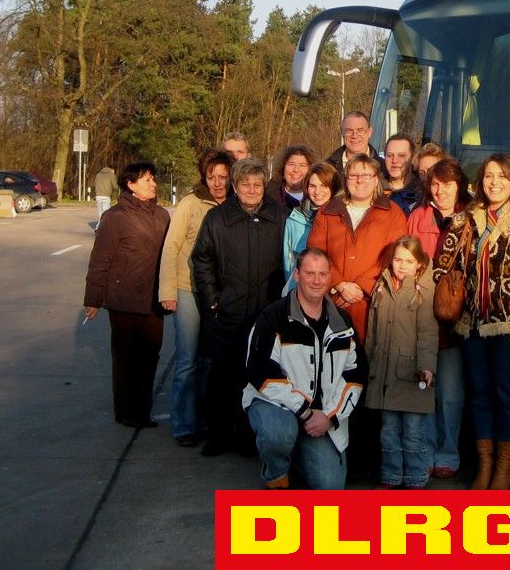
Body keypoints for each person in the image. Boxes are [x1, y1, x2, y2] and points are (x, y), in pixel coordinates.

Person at [433, 153, 510, 490]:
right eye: (488, 176)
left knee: (506, 394)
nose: (494, 182)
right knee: (480, 395)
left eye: (501, 176)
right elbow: (443, 264)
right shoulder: (466, 218)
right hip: (472, 324)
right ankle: (484, 465)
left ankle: (504, 467)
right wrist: (449, 288)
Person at [243, 248, 366, 489]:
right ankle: (276, 474)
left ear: (329, 277)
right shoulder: (273, 316)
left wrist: (329, 417)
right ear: (297, 275)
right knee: (279, 433)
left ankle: (298, 454)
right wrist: (305, 412)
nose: (316, 281)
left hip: (321, 415)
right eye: (310, 273)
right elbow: (260, 373)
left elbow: (355, 376)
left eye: (322, 274)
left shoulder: (342, 322)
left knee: (330, 487)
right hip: (276, 405)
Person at [191, 156, 285, 456]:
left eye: (257, 184)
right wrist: (213, 300)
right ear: (235, 186)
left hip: (266, 313)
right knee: (221, 377)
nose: (252, 190)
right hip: (228, 311)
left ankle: (248, 439)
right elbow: (202, 260)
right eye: (246, 184)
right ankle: (218, 436)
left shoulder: (279, 216)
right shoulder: (217, 218)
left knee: (258, 378)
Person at [83, 162, 171, 429]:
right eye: (147, 180)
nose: (153, 184)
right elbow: (100, 260)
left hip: (154, 300)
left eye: (153, 179)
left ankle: (142, 410)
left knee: (150, 357)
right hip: (124, 300)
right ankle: (125, 411)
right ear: (131, 185)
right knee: (126, 359)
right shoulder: (115, 217)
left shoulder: (162, 216)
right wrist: (93, 298)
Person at [157, 148, 233, 447]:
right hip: (187, 288)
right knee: (187, 359)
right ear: (204, 177)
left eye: (223, 177)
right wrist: (167, 292)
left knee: (209, 360)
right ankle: (183, 424)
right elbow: (171, 247)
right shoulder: (190, 203)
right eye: (212, 177)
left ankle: (205, 420)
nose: (218, 183)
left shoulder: (234, 204)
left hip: (218, 291)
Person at [407, 156, 471, 479]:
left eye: (447, 184)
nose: (440, 190)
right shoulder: (418, 216)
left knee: (450, 393)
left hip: (455, 317)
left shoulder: (471, 217)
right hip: (422, 315)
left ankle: (448, 451)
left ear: (459, 185)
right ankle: (427, 450)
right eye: (435, 184)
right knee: (424, 389)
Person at [308, 153, 407, 342]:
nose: (359, 180)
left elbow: (394, 256)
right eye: (353, 175)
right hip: (331, 301)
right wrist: (339, 284)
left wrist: (361, 286)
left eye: (366, 175)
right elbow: (315, 253)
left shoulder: (392, 213)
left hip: (373, 303)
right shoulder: (327, 211)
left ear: (376, 180)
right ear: (346, 180)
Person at [365, 236, 438, 488]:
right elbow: (372, 330)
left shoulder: (423, 290)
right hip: (385, 373)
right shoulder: (382, 285)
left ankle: (416, 477)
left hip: (413, 373)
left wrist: (427, 366)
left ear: (419, 264)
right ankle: (392, 475)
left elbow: (427, 332)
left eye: (408, 261)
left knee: (414, 432)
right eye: (398, 260)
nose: (402, 265)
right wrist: (370, 361)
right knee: (388, 431)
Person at [282, 162, 341, 295]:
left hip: (335, 291)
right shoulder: (294, 219)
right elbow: (288, 263)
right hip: (302, 292)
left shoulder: (342, 218)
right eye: (312, 186)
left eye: (324, 186)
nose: (317, 192)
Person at [383, 133, 420, 215]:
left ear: (412, 158)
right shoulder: (375, 189)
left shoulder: (423, 191)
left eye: (401, 155)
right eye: (389, 155)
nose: (394, 160)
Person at [271, 145, 316, 212]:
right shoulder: (269, 198)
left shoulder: (319, 198)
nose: (296, 170)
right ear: (283, 167)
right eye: (291, 164)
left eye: (302, 165)